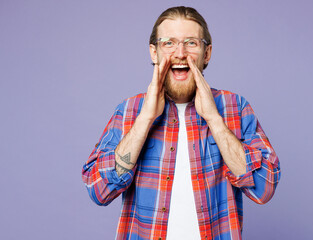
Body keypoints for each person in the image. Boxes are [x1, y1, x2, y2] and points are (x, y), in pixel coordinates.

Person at [82, 6, 281, 240]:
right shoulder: (129, 110)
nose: (180, 53)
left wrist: (214, 120)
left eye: (191, 43)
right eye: (168, 43)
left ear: (206, 54)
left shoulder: (235, 107)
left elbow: (264, 188)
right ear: (154, 53)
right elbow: (99, 190)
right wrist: (145, 119)